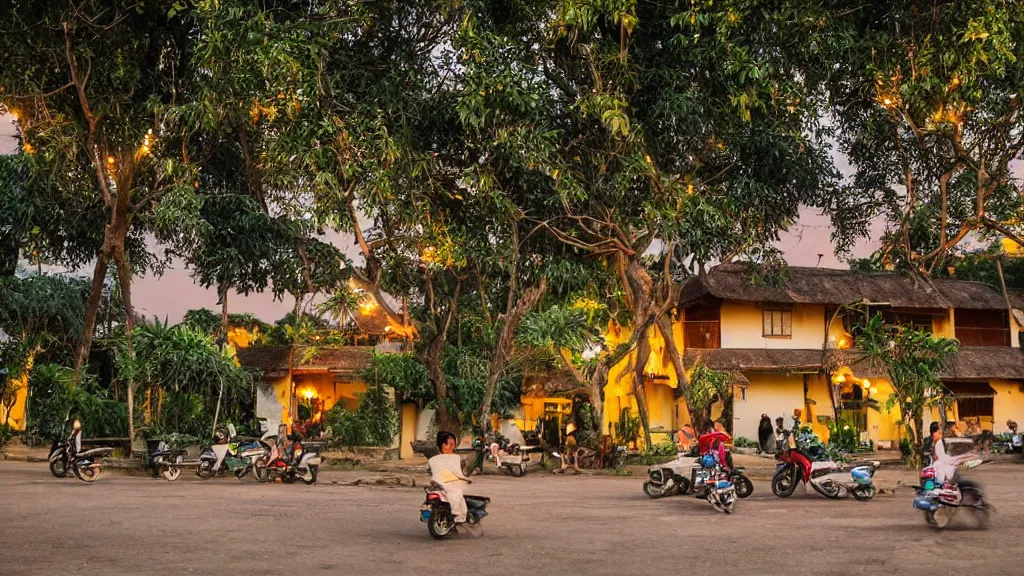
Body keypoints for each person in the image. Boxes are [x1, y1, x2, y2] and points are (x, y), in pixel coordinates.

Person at [428, 431, 470, 524]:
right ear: (441, 445)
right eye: (447, 444)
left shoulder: (435, 459)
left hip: (441, 483)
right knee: (457, 495)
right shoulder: (454, 458)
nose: (451, 446)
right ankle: (459, 516)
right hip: (447, 484)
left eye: (453, 444)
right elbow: (457, 473)